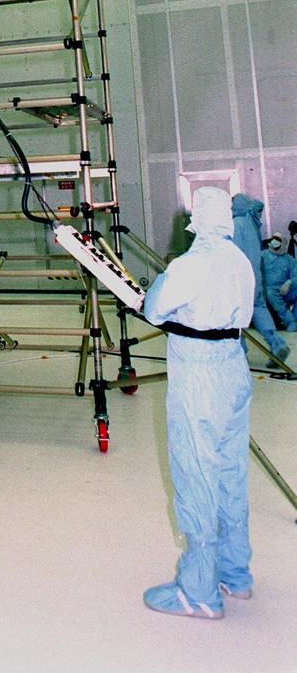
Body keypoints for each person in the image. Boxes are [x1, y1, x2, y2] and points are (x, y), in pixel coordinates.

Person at [142, 186, 255, 620]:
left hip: (200, 375)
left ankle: (199, 590)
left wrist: (159, 287)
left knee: (197, 473)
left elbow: (154, 310)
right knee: (229, 470)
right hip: (234, 369)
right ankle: (235, 573)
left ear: (196, 220)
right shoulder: (240, 261)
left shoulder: (188, 265)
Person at [231, 193, 290, 364]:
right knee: (258, 307)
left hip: (239, 276)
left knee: (235, 311)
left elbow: (233, 254)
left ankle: (238, 351)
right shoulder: (252, 223)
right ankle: (277, 343)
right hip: (254, 277)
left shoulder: (236, 224)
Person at [262, 231, 297, 332]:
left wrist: (288, 282)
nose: (275, 241)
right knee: (270, 293)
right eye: (274, 238)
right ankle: (290, 321)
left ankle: (295, 319)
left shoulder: (289, 259)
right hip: (268, 293)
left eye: (278, 240)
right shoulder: (262, 256)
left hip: (285, 290)